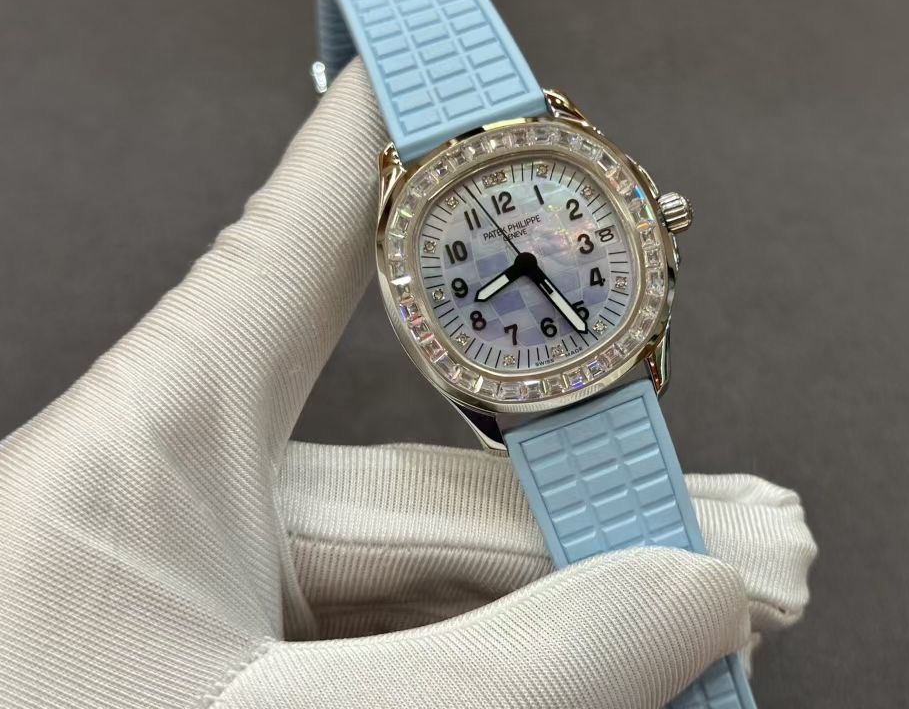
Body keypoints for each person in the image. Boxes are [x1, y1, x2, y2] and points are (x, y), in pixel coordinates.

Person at [0, 62, 816, 708]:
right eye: (511, 260)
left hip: (606, 347)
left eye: (549, 243)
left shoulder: (591, 213)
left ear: (654, 217)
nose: (527, 261)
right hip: (542, 366)